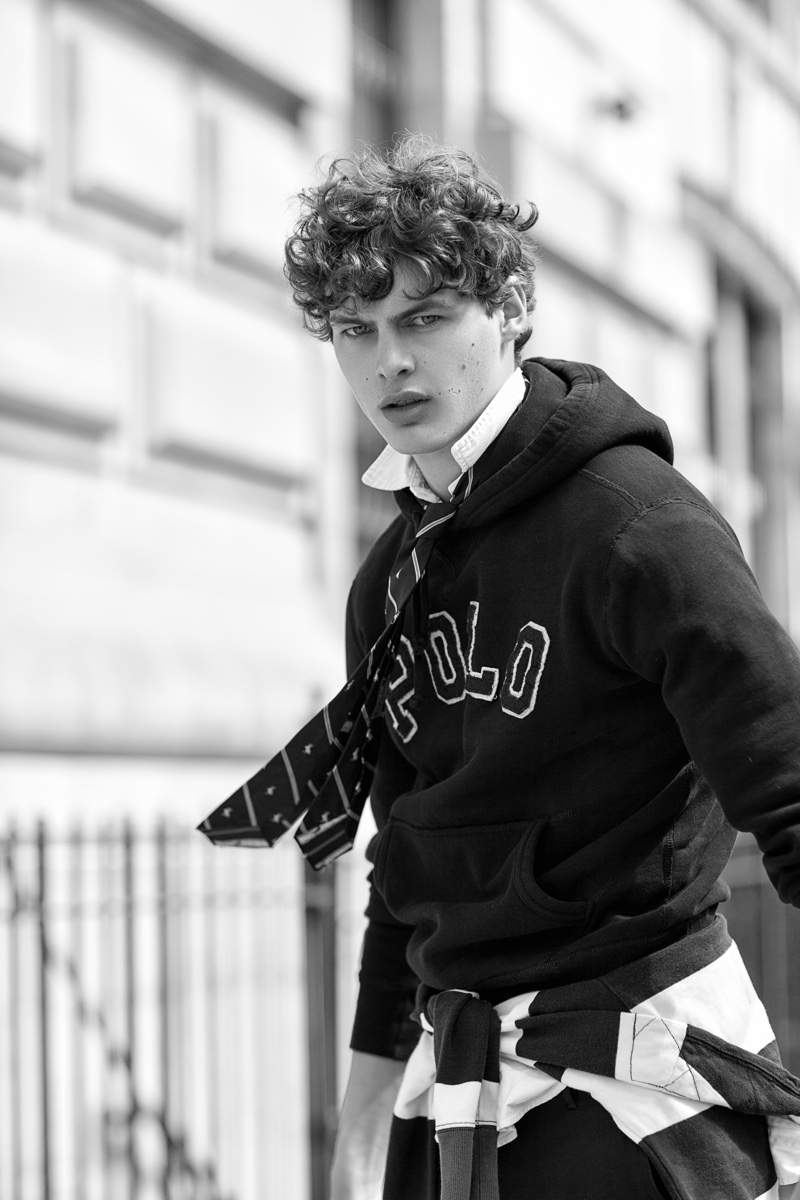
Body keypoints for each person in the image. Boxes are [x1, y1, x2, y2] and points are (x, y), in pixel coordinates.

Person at [202, 136, 800, 1198]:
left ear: (510, 307)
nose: (389, 362)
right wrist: (356, 1136)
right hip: (453, 1110)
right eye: (355, 330)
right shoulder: (389, 580)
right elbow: (405, 879)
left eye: (425, 319)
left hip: (638, 1102)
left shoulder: (637, 527)